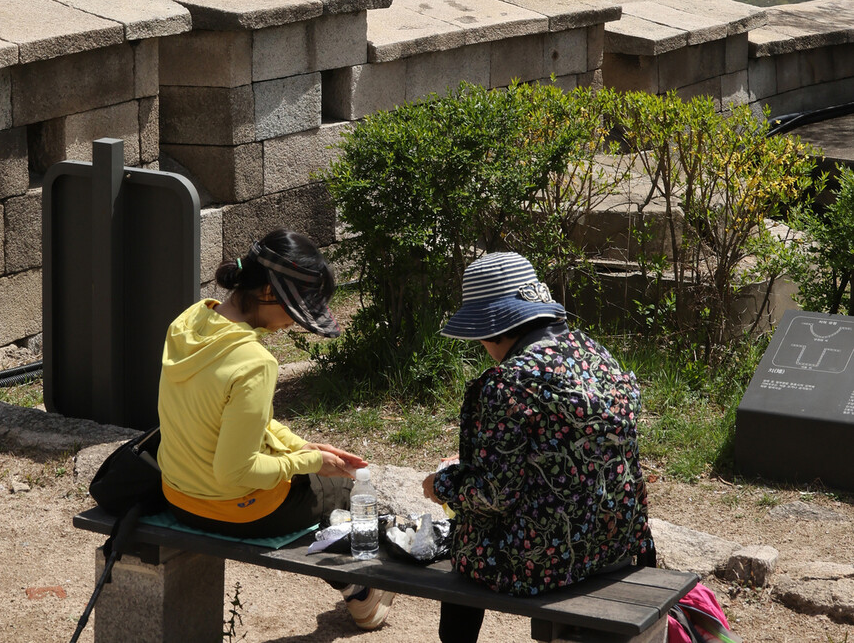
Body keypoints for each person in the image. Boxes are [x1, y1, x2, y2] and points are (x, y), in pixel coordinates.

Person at [157, 227, 394, 630]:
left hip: (176, 493)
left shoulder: (190, 321)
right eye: (294, 311)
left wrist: (301, 446)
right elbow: (234, 472)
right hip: (230, 509)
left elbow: (234, 420)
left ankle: (360, 592)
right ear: (267, 293)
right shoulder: (254, 362)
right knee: (338, 490)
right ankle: (361, 594)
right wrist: (310, 462)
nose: (292, 324)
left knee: (314, 474)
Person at [423, 252, 654, 643]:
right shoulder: (598, 356)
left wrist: (442, 485)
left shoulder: (509, 382)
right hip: (617, 542)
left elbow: (494, 494)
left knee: (468, 530)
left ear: (493, 329)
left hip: (545, 562)